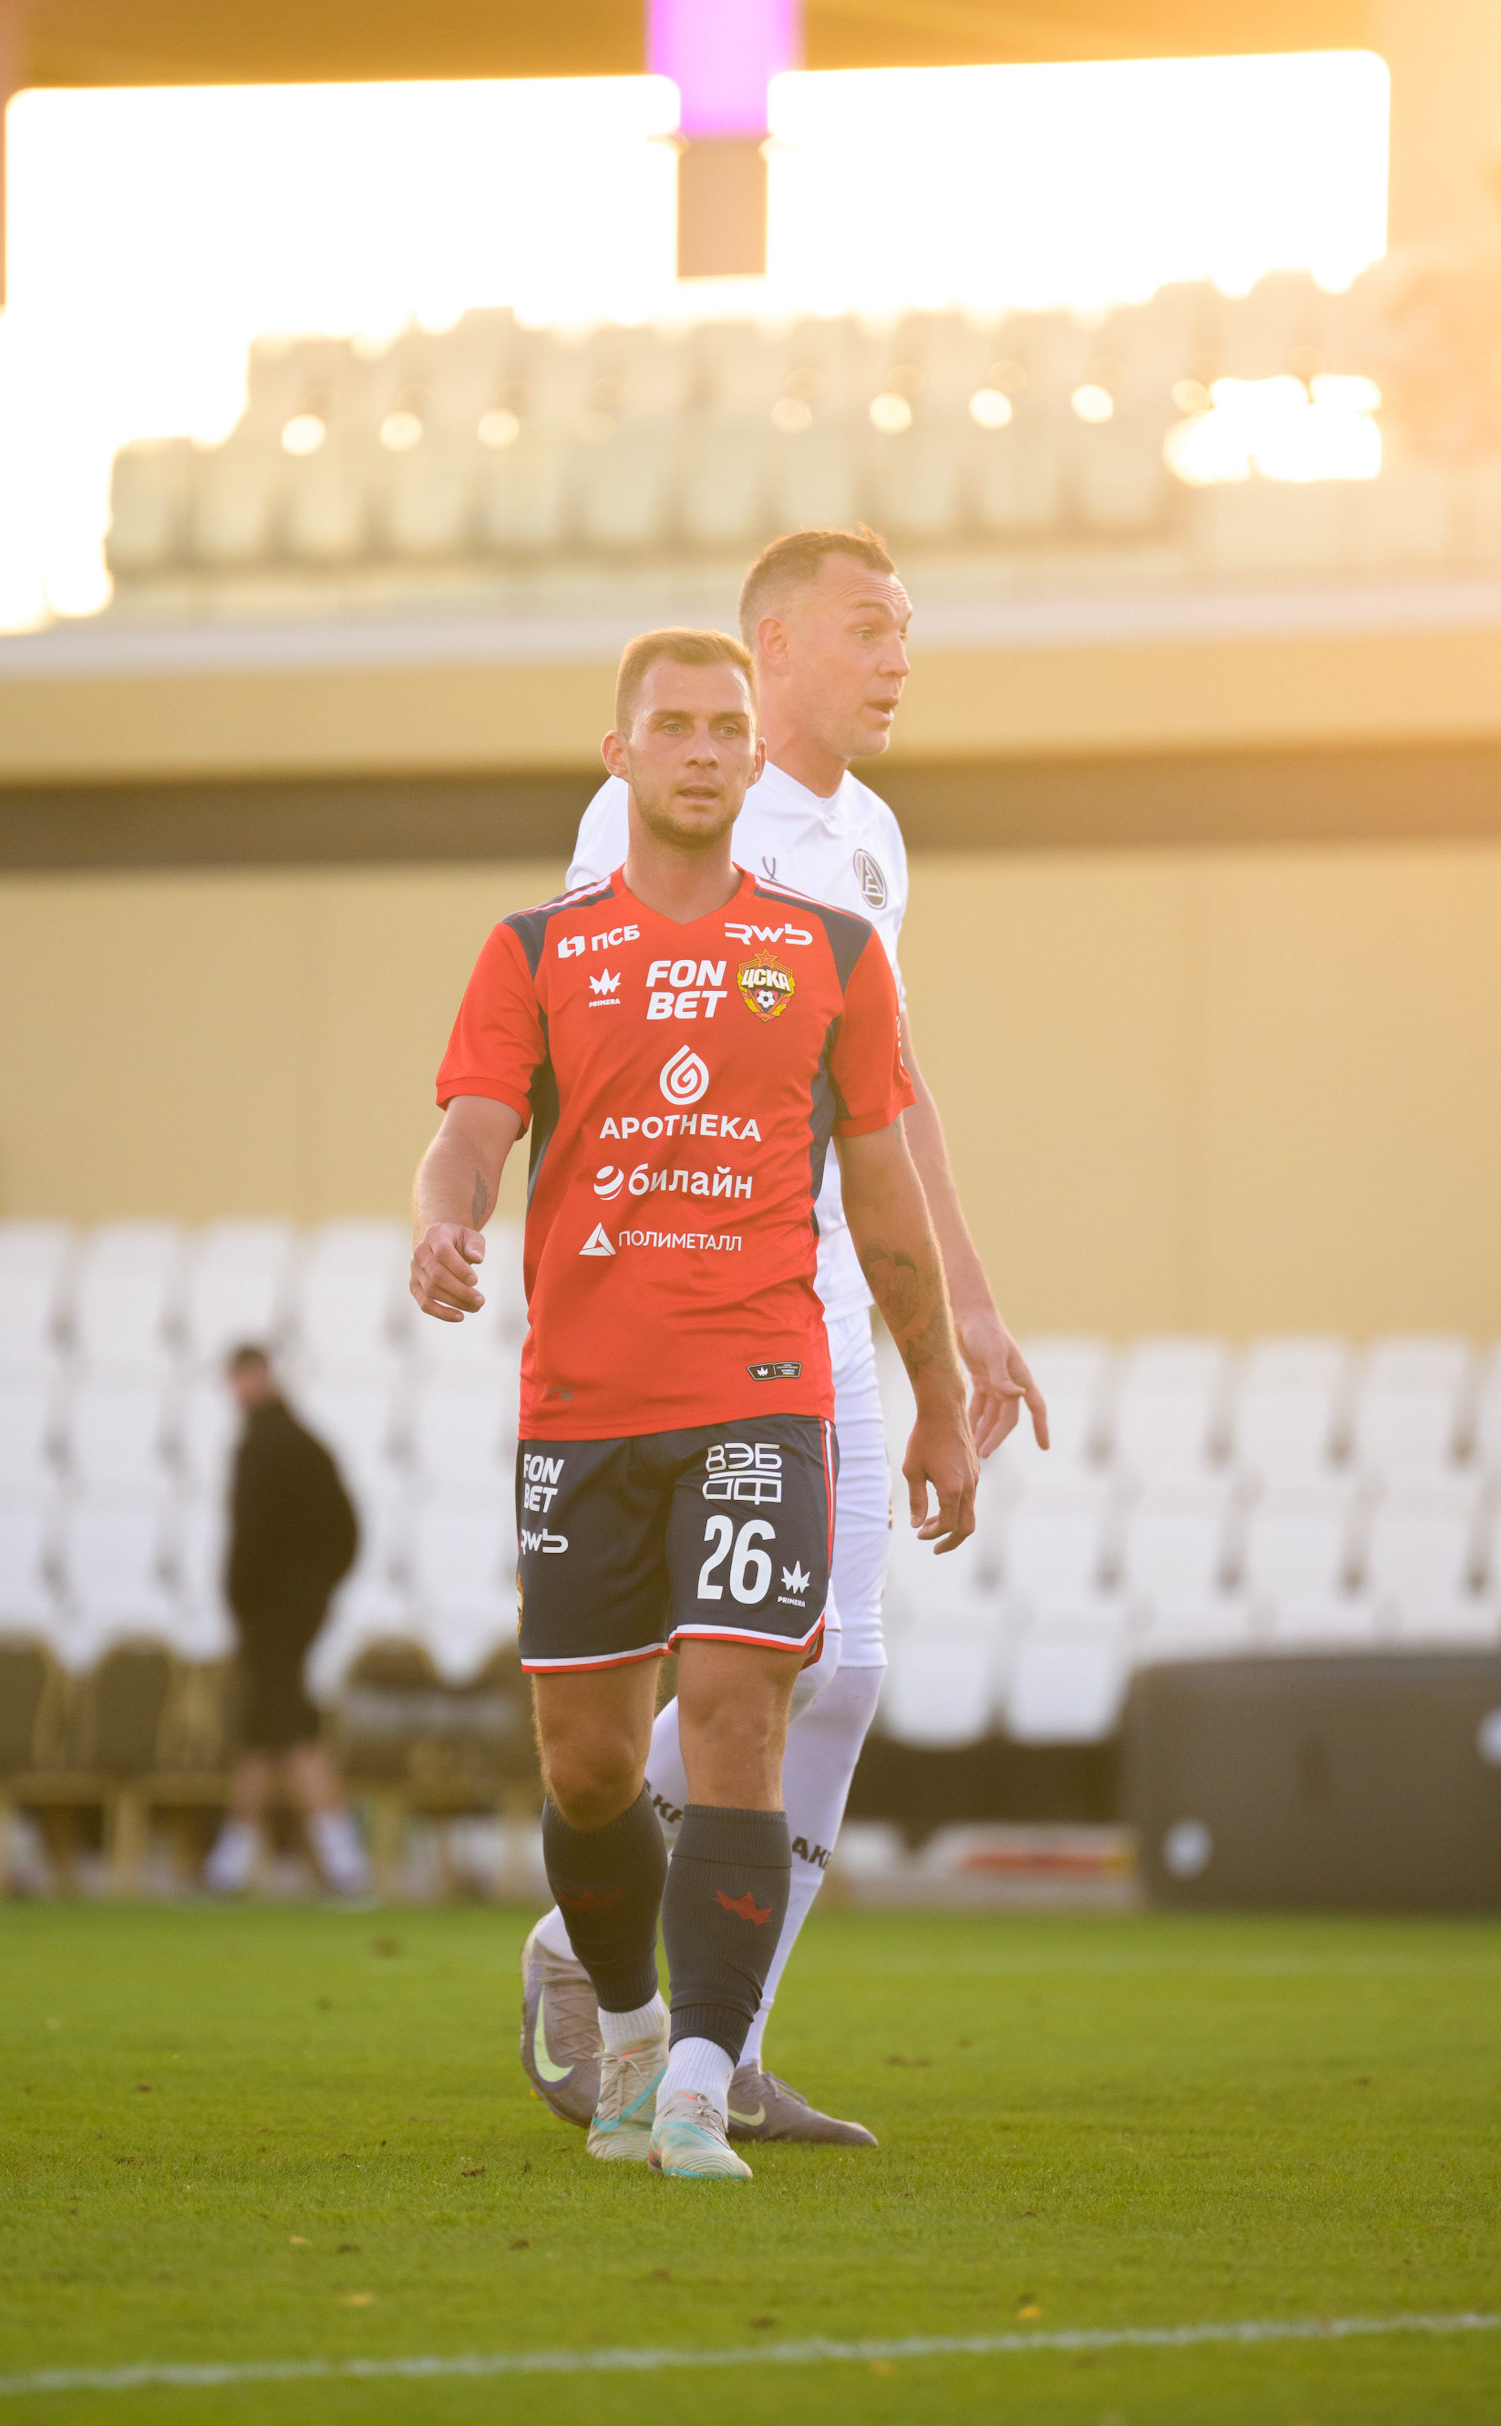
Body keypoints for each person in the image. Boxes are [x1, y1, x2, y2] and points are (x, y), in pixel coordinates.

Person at [411, 627, 975, 2180]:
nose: (706, 749)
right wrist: (446, 1219)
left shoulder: (835, 954)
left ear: (753, 751)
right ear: (621, 757)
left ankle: (704, 2078)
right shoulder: (535, 949)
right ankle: (631, 2022)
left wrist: (937, 1393)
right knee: (590, 1765)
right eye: (674, 726)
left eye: (729, 726)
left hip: (763, 1392)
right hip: (583, 1406)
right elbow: (470, 1130)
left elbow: (888, 1202)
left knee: (741, 1715)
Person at [519, 527, 1048, 2146]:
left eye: (906, 630)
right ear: (775, 646)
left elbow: (891, 1090)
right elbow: (582, 1037)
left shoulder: (869, 838)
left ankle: (704, 2033)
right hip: (681, 1293)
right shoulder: (663, 806)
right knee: (735, 1682)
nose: (899, 658)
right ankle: (613, 1960)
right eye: (869, 627)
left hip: (816, 1285)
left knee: (846, 1666)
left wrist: (964, 1305)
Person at [202, 1345, 371, 1899]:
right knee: (262, 1730)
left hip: (273, 1616)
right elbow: (347, 1529)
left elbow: (250, 1536)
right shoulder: (304, 1443)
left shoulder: (267, 1446)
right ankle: (229, 1867)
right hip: (290, 1613)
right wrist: (317, 1591)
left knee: (292, 1730)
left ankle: (345, 1864)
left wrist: (253, 1598)